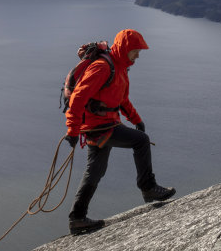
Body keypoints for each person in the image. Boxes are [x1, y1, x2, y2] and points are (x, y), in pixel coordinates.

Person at [64, 29, 176, 234]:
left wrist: (136, 119)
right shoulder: (102, 67)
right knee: (141, 141)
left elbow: (121, 99)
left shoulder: (120, 67)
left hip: (104, 124)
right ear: (126, 49)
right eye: (136, 50)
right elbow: (77, 99)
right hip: (98, 126)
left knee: (95, 171)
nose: (138, 55)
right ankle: (148, 187)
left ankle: (77, 218)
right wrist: (72, 130)